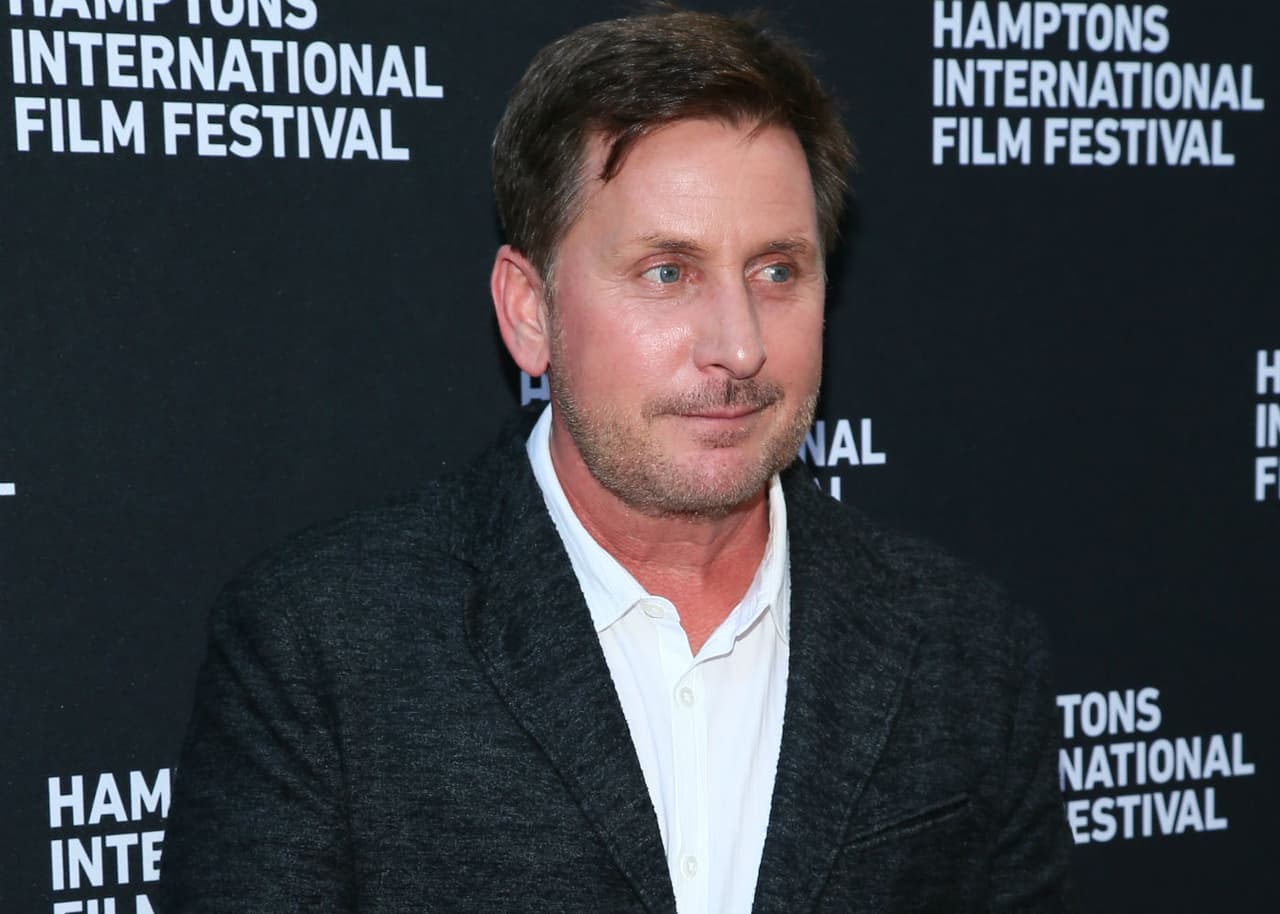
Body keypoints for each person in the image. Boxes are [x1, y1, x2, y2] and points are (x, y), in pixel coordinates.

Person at [158, 8, 1074, 913]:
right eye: (667, 273)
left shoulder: (969, 653)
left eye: (776, 272)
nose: (739, 346)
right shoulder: (321, 648)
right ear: (530, 312)